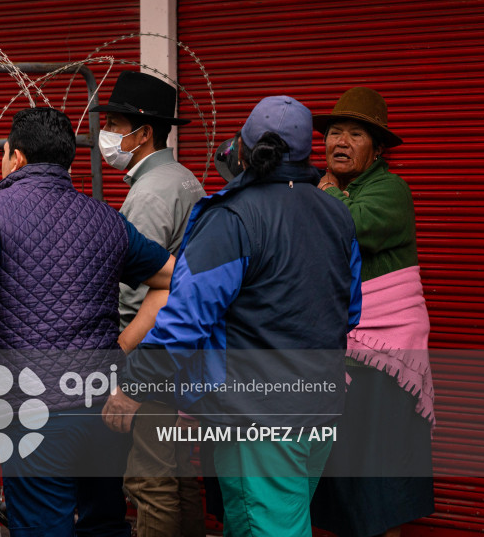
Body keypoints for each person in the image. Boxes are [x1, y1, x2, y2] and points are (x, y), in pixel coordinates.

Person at [103, 95, 363, 537]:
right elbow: (350, 309)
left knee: (269, 527)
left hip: (258, 414)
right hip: (321, 402)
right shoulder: (336, 212)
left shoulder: (233, 218)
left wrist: (133, 385)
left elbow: (185, 318)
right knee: (264, 518)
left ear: (242, 148)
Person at [0, 107, 175, 537]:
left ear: (14, 157)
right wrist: (122, 347)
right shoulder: (106, 218)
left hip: (33, 409)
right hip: (102, 404)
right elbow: (171, 281)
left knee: (41, 527)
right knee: (104, 523)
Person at [310, 87, 435, 537]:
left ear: (377, 148)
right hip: (339, 353)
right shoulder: (320, 185)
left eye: (355, 134)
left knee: (376, 485)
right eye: (334, 132)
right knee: (340, 481)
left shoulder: (390, 190)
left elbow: (350, 229)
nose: (339, 142)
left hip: (384, 357)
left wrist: (325, 194)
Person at [91, 70, 206, 537]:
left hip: (151, 351)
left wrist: (123, 356)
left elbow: (145, 288)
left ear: (144, 133)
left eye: (116, 126)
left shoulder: (150, 194)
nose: (108, 136)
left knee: (149, 478)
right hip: (181, 348)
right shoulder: (182, 179)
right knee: (177, 471)